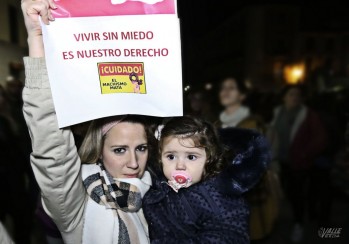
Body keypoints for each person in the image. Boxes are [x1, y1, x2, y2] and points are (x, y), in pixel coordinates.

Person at [21, 0, 155, 243]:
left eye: (141, 148)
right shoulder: (76, 204)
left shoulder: (158, 194)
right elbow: (51, 144)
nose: (133, 163)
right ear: (99, 151)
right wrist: (37, 38)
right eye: (119, 150)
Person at [143, 116, 270, 243]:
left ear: (209, 159)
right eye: (171, 157)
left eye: (191, 157)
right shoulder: (159, 183)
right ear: (160, 157)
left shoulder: (220, 198)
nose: (179, 165)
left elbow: (229, 235)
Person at [218, 76, 280, 241]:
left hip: (250, 195)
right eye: (223, 87)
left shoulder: (253, 124)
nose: (225, 92)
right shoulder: (216, 124)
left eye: (231, 88)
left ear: (242, 96)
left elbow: (256, 162)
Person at [269, 85, 326, 243]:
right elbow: (271, 132)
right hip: (279, 161)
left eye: (298, 95)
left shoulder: (308, 114)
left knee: (297, 195)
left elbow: (320, 138)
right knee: (283, 192)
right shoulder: (277, 112)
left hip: (299, 163)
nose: (294, 97)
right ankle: (285, 219)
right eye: (291, 94)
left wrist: (305, 153)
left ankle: (299, 223)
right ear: (284, 97)